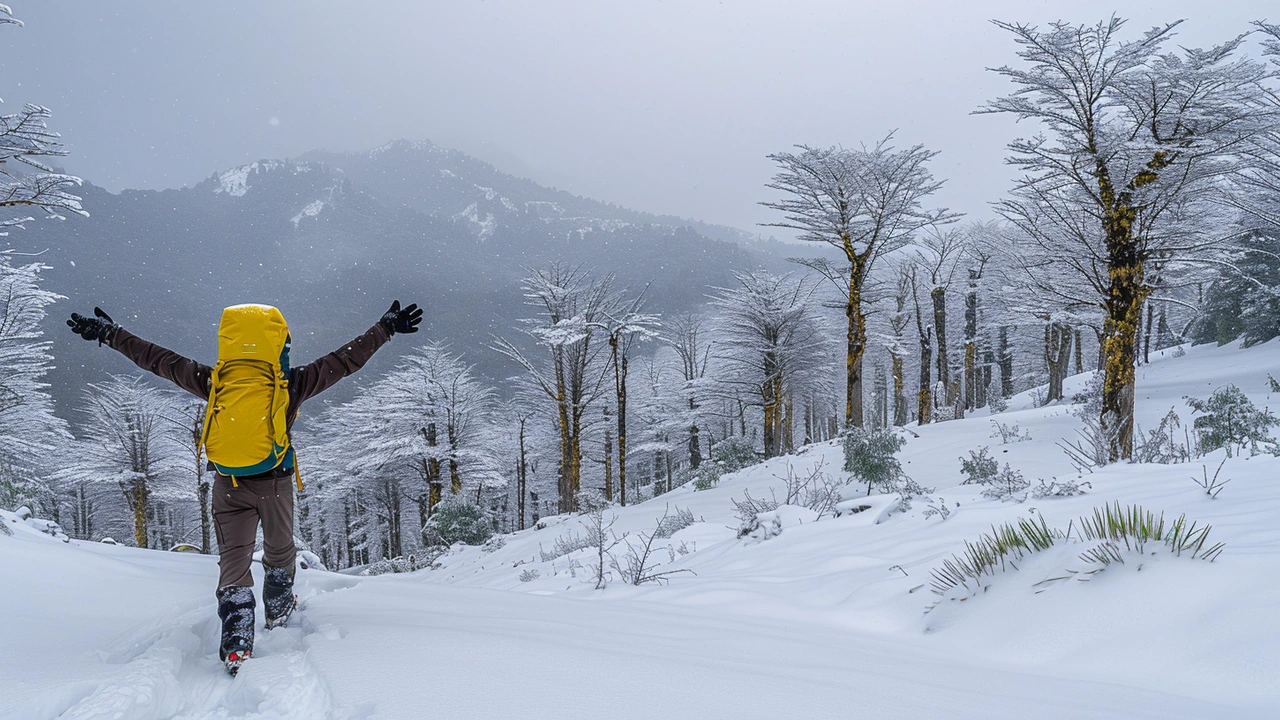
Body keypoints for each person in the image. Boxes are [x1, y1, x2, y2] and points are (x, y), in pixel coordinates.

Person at [67, 300, 422, 672]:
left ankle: (237, 638)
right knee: (280, 550)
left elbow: (158, 360)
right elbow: (344, 361)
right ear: (278, 346)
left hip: (228, 483)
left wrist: (110, 334)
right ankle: (279, 604)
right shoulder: (292, 383)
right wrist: (384, 329)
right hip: (274, 483)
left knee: (234, 558)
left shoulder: (214, 382)